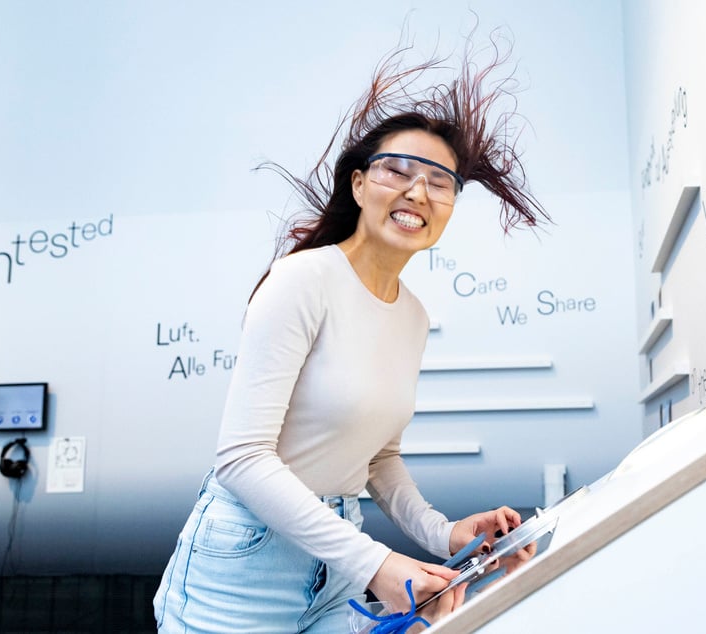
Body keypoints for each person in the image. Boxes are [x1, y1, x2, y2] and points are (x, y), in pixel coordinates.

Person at [153, 27, 551, 633]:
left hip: (337, 554)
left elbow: (378, 458)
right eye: (397, 170)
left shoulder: (412, 314)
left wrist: (444, 535)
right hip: (246, 556)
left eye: (440, 181)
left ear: (449, 206)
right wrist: (380, 565)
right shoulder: (303, 280)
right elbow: (240, 457)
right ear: (359, 183)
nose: (418, 189)